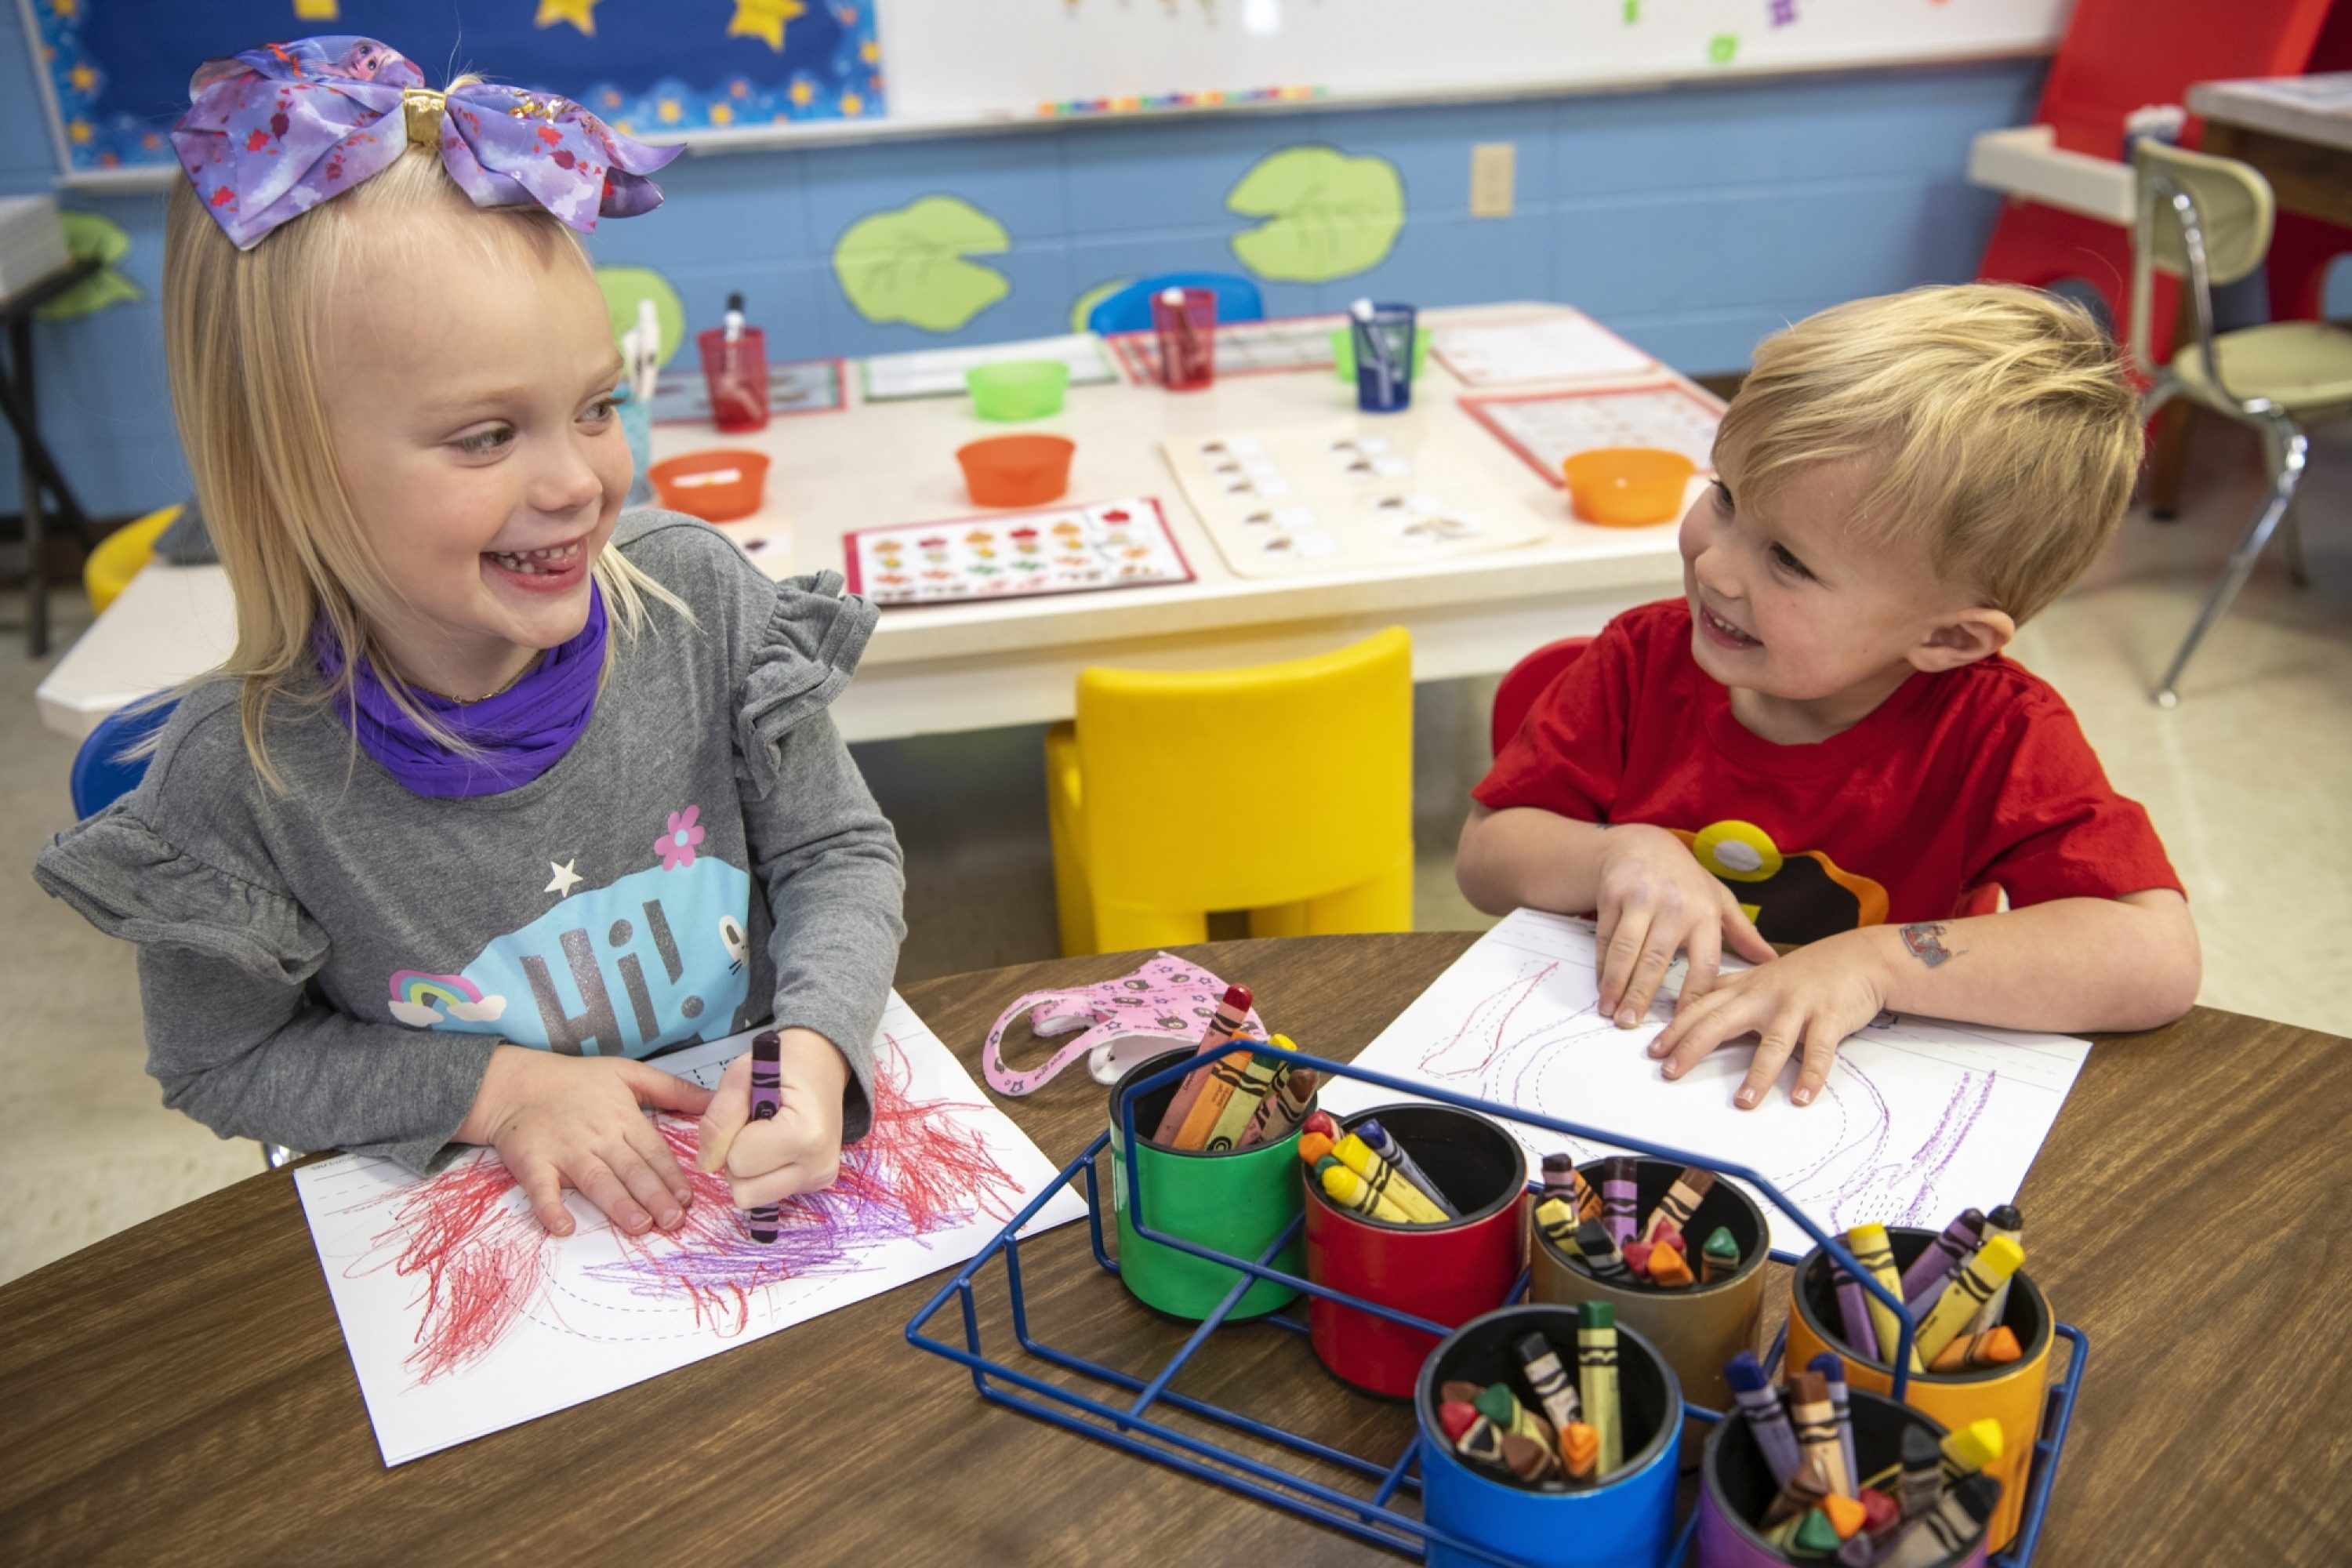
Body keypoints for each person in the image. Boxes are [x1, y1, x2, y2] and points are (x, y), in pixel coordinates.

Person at [35, 38, 904, 1238]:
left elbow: (837, 855)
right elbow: (220, 1063)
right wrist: (499, 1091)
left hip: (752, 1200)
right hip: (492, 1245)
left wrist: (814, 1045)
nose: (577, 485)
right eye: (488, 436)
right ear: (288, 469)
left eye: (596, 408)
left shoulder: (697, 601)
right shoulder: (241, 782)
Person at [1458, 286, 2198, 1109]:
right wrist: (1611, 853)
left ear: (1948, 639)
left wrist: (1877, 963)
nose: (1715, 567)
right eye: (1728, 497)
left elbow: (2155, 956)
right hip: (1612, 1067)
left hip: (1836, 1102)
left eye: (1790, 561)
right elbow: (1487, 855)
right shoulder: (1640, 659)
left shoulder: (1999, 733)